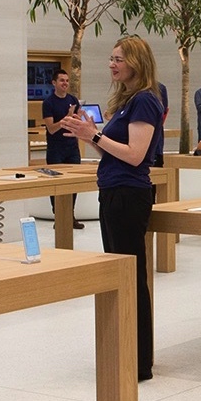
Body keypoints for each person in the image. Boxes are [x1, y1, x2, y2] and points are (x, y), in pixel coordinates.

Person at [58, 36, 163, 382]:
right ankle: (129, 353)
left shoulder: (145, 101)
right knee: (122, 274)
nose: (112, 64)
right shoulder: (128, 101)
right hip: (114, 192)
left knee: (131, 276)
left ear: (136, 62)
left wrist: (96, 136)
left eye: (119, 59)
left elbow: (135, 155)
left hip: (128, 196)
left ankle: (138, 361)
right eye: (111, 58)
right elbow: (116, 152)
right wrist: (89, 136)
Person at [40, 68, 85, 228]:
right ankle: (58, 217)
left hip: (72, 148)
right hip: (56, 149)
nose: (65, 83)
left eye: (67, 81)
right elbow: (51, 128)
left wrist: (76, 118)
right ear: (54, 83)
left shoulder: (73, 100)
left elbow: (78, 122)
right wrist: (66, 118)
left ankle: (70, 216)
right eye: (62, 80)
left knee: (74, 182)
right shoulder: (48, 103)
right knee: (56, 184)